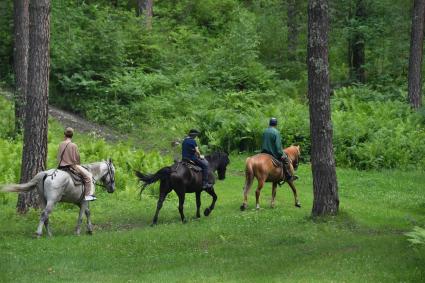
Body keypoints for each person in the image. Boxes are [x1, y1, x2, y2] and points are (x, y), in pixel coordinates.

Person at [57, 127, 96, 201]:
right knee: (88, 176)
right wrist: (78, 164)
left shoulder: (61, 144)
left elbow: (58, 156)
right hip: (71, 166)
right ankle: (88, 195)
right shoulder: (73, 145)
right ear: (72, 135)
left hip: (60, 166)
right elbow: (77, 158)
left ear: (64, 135)